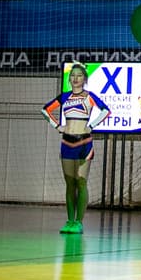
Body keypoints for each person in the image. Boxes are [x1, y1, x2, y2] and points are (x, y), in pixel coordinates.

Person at [45, 64, 109, 234]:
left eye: (79, 75)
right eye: (73, 75)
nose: (75, 78)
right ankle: (69, 221)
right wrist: (57, 126)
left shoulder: (89, 96)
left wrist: (92, 126)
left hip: (84, 143)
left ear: (84, 78)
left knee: (81, 182)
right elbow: (45, 110)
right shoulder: (65, 97)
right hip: (67, 143)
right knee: (69, 183)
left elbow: (106, 111)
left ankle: (79, 222)